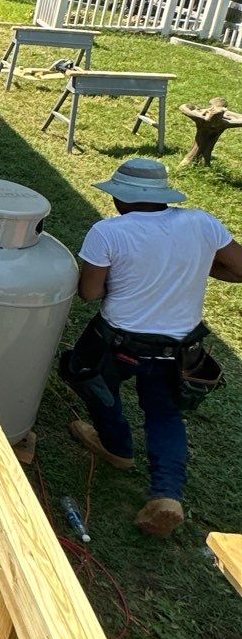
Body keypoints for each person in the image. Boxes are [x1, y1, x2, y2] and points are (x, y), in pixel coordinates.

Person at [62, 157, 242, 536]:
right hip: (179, 347)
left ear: (120, 198)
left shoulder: (107, 232)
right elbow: (239, 268)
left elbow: (89, 292)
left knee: (87, 376)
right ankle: (167, 495)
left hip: (118, 341)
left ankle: (117, 447)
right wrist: (197, 266)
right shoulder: (202, 223)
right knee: (165, 415)